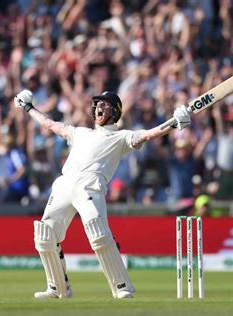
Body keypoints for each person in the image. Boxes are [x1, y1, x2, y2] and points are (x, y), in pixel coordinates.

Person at [14, 89, 191, 299]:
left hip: (90, 185)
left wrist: (174, 123)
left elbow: (148, 133)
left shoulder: (121, 137)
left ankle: (122, 287)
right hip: (64, 183)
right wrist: (29, 108)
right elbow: (51, 125)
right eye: (98, 103)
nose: (99, 107)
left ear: (115, 111)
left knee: (98, 235)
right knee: (44, 236)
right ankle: (58, 288)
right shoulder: (80, 132)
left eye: (105, 104)